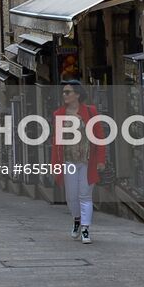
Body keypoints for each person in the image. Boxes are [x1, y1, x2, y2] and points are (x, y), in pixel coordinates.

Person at [51, 80, 106, 245]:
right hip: (68, 160)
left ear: (77, 94)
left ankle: (86, 229)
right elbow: (56, 142)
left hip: (88, 161)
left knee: (85, 195)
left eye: (68, 92)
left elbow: (99, 136)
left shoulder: (90, 112)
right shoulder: (59, 114)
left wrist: (101, 160)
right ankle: (77, 219)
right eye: (63, 92)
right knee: (71, 196)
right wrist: (55, 164)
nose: (64, 95)